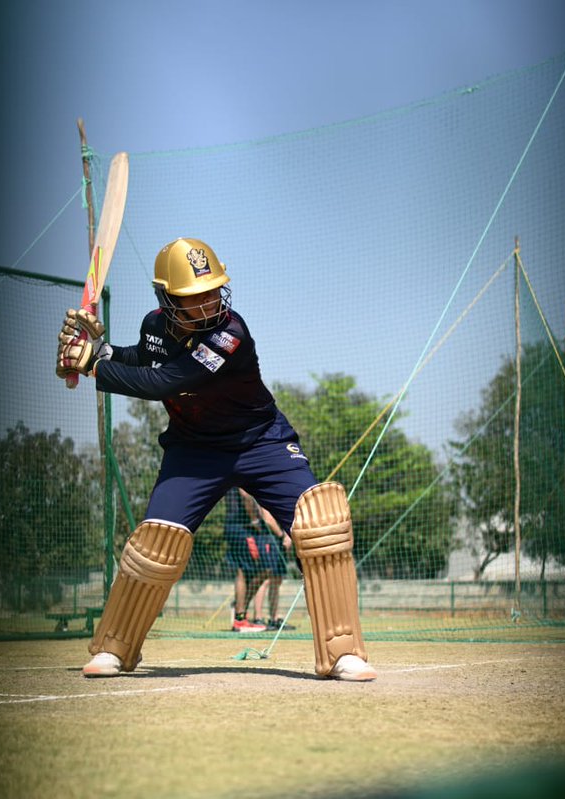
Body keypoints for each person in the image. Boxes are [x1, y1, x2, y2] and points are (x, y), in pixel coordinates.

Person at [56, 236, 375, 681]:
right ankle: (115, 647)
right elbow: (145, 359)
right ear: (167, 300)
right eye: (194, 295)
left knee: (320, 523)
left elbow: (166, 381)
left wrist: (93, 364)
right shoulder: (155, 327)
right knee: (154, 543)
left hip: (260, 441)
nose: (209, 301)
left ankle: (343, 652)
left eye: (213, 290)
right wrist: (103, 352)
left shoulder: (231, 333)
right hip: (194, 450)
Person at [222, 487, 287, 633]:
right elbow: (245, 494)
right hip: (243, 527)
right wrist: (255, 519)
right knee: (259, 570)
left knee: (246, 571)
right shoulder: (241, 471)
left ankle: (240, 612)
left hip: (235, 526)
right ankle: (240, 615)